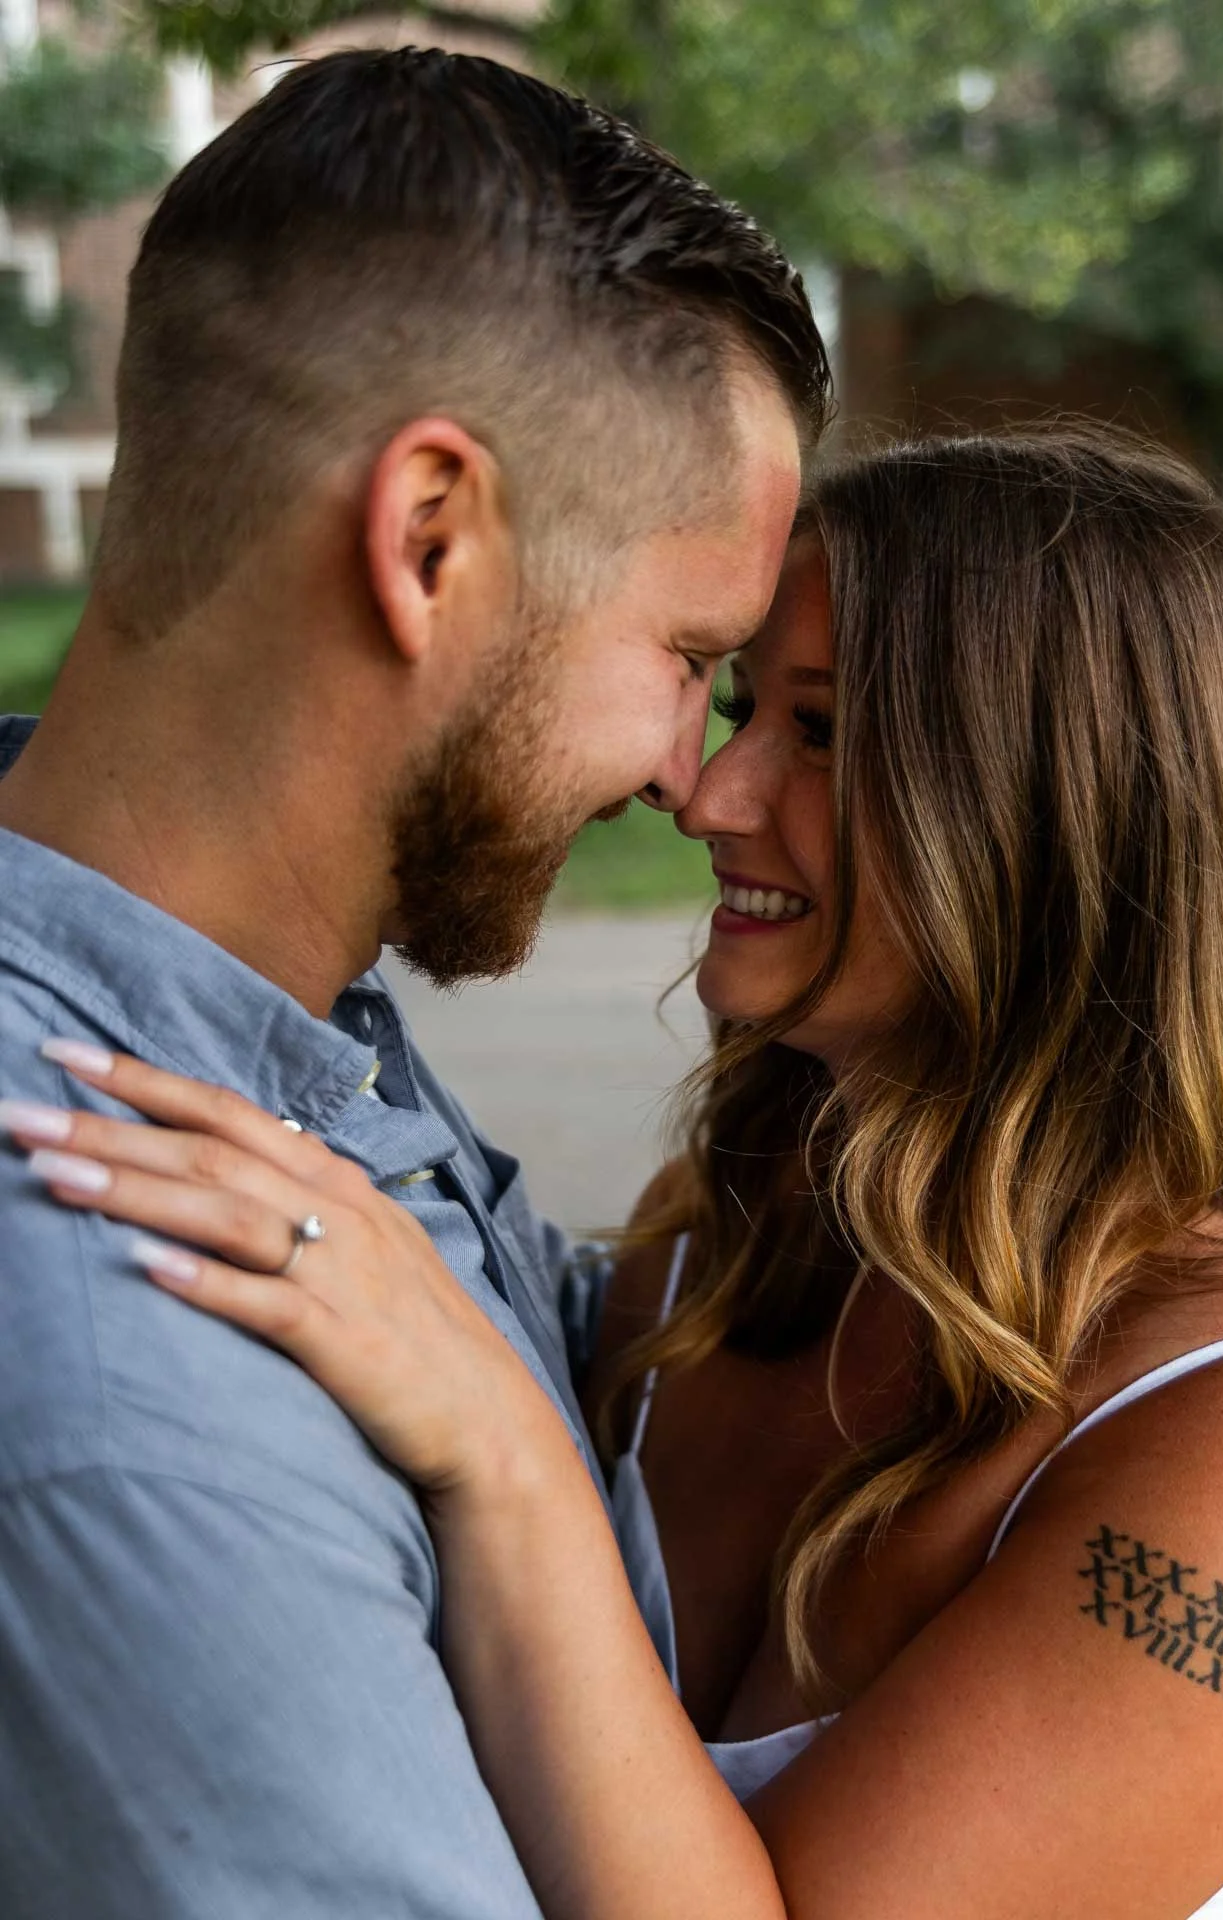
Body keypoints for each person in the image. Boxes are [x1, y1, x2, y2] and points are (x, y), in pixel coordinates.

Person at [22, 429, 1223, 1919]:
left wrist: (507, 1459)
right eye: (734, 704)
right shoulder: (757, 1217)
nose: (705, 795)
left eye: (813, 735)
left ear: (1040, 812)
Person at [0, 45, 829, 1918]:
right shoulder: (137, 1383)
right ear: (430, 538)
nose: (693, 783)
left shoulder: (258, 1019)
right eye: (692, 654)